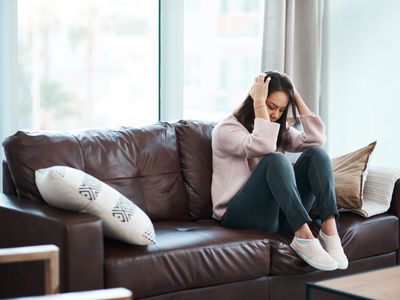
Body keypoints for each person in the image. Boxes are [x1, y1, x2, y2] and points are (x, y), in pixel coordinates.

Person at [211, 71, 348, 271]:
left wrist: (295, 95)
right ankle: (303, 235)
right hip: (238, 214)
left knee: (316, 154)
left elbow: (316, 139)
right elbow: (263, 145)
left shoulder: (277, 129)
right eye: (271, 106)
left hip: (277, 215)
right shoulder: (226, 130)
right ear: (255, 100)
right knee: (275, 159)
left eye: (281, 109)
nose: (275, 115)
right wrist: (259, 103)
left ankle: (329, 230)